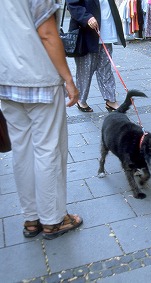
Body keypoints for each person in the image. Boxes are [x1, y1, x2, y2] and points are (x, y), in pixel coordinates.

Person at [0, 0, 83, 240]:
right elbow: (47, 33)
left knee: (22, 150)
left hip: (6, 79)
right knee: (48, 149)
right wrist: (68, 79)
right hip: (39, 78)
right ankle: (53, 220)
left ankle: (32, 218)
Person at [67, 0, 126, 112]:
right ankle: (81, 100)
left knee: (106, 69)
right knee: (85, 70)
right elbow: (72, 4)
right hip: (86, 33)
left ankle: (111, 100)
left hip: (106, 32)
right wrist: (86, 17)